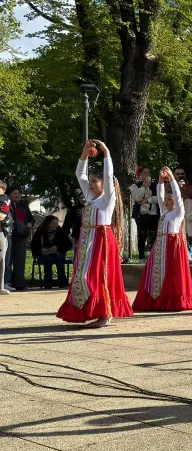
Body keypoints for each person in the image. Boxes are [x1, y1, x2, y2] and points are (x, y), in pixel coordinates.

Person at [57, 140, 133, 327]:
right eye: (90, 181)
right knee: (82, 276)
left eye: (94, 181)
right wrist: (84, 154)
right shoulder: (90, 198)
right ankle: (90, 310)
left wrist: (106, 154)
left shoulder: (108, 199)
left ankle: (105, 314)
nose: (90, 184)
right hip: (87, 240)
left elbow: (108, 175)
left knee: (99, 276)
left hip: (102, 240)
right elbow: (79, 173)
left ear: (103, 184)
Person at [133, 168, 192, 312]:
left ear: (176, 201)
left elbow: (176, 193)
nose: (167, 201)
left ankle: (171, 298)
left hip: (172, 245)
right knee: (154, 272)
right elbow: (160, 194)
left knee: (172, 273)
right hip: (160, 244)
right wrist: (161, 181)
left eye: (171, 200)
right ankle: (156, 298)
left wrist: (172, 180)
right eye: (167, 200)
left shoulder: (177, 213)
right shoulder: (164, 212)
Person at [30, 214, 73, 289]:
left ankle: (62, 282)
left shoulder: (60, 231)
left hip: (58, 253)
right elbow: (33, 246)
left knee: (59, 259)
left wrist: (57, 247)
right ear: (48, 224)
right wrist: (41, 250)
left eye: (56, 223)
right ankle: (47, 283)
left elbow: (69, 244)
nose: (55, 225)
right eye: (53, 223)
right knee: (48, 259)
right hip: (44, 255)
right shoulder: (39, 232)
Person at [129, 167, 158, 259]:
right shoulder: (135, 186)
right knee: (141, 237)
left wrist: (147, 200)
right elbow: (137, 198)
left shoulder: (156, 186)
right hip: (141, 215)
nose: (147, 175)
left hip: (153, 215)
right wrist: (143, 187)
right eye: (144, 173)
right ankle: (141, 258)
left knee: (153, 237)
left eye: (148, 173)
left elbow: (159, 198)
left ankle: (153, 257)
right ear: (140, 175)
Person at [6, 186, 31, 291]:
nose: (17, 195)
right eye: (14, 193)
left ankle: (19, 283)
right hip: (10, 235)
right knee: (8, 259)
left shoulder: (23, 205)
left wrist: (29, 224)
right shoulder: (6, 205)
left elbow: (30, 218)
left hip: (21, 235)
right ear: (8, 194)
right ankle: (8, 282)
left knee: (20, 260)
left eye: (18, 193)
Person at [0, 180, 9, 294]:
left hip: (1, 232)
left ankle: (1, 286)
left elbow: (2, 215)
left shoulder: (5, 199)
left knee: (1, 258)